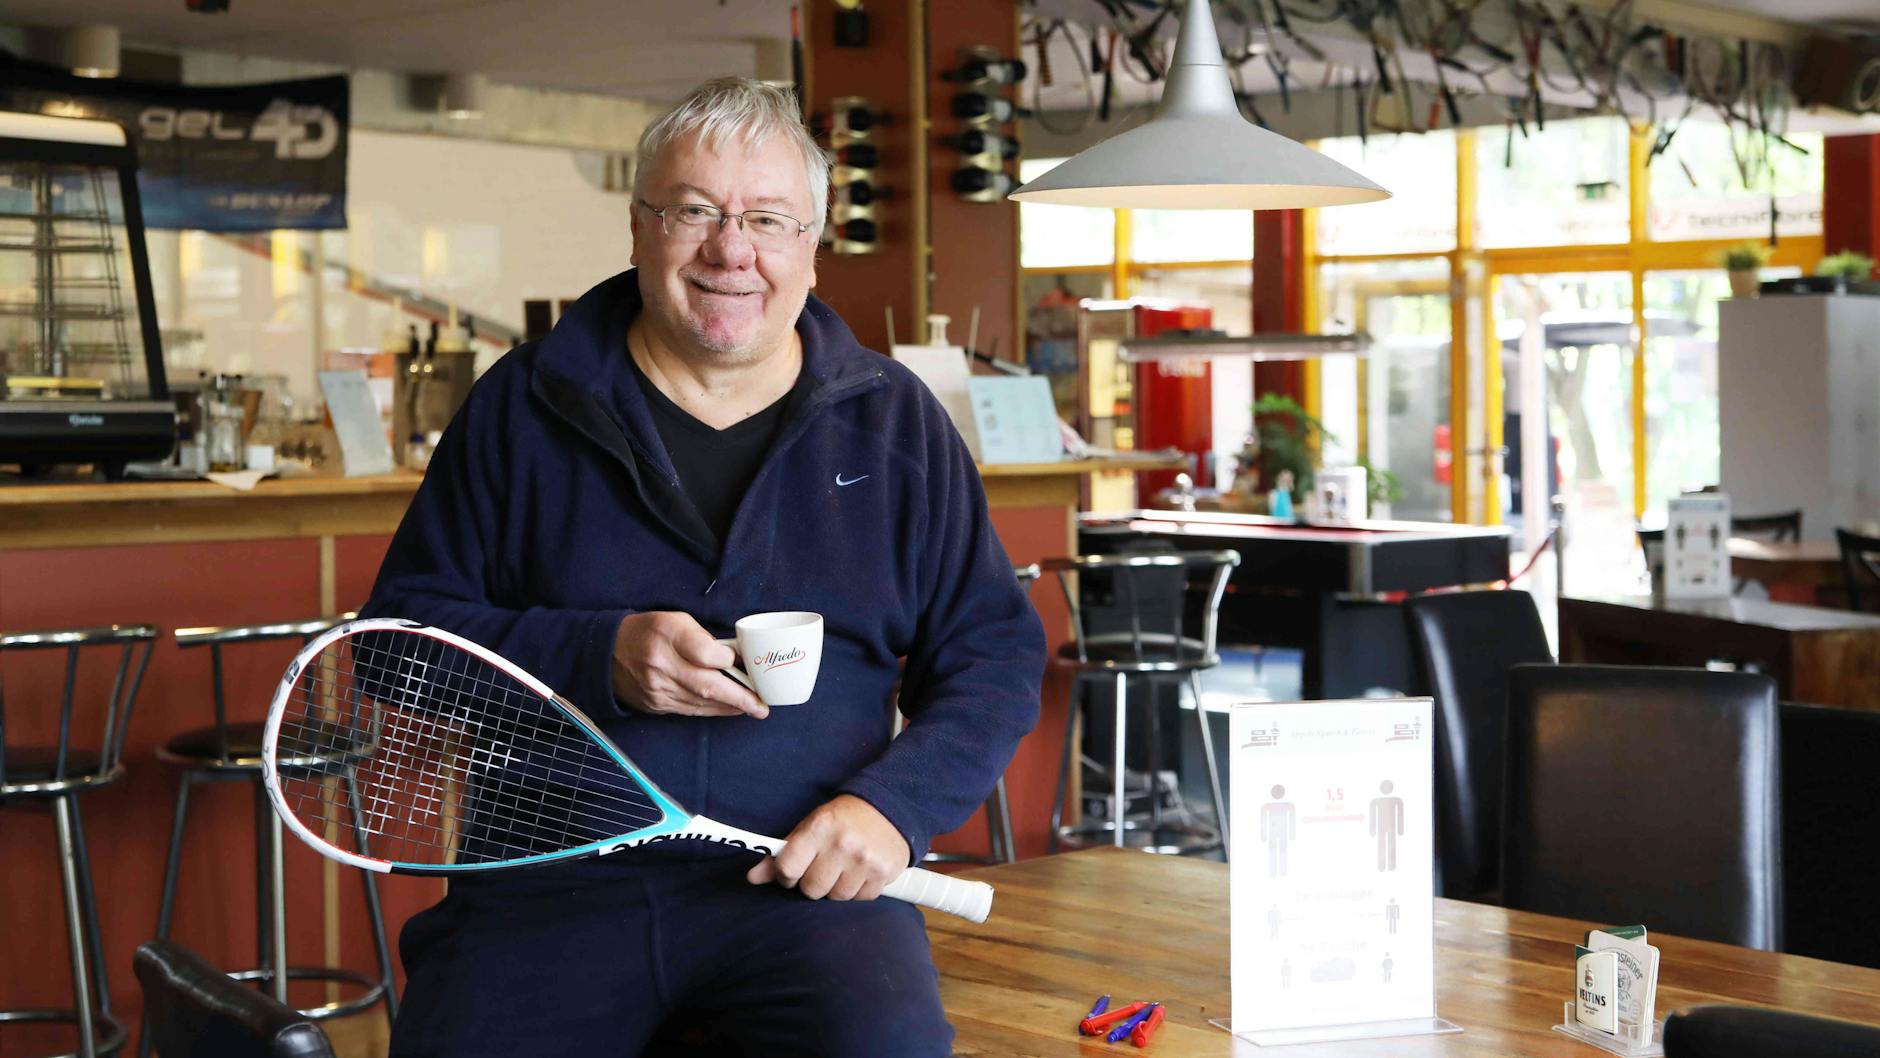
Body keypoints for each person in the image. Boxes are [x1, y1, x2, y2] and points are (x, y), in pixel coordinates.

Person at [362, 77, 1045, 1057]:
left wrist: (892, 810)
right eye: (694, 212)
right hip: (548, 882)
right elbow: (396, 648)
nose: (732, 250)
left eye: (767, 219)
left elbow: (990, 652)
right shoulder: (522, 406)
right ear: (639, 229)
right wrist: (596, 653)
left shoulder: (894, 422)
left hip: (805, 891)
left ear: (810, 245)